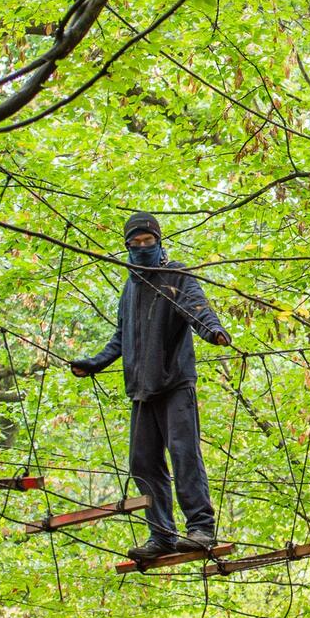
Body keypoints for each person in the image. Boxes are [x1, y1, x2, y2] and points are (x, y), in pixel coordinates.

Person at [70, 212, 231, 561]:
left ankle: (200, 528)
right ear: (127, 246)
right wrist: (93, 363)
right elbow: (121, 337)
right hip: (142, 389)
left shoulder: (175, 275)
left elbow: (197, 309)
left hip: (174, 382)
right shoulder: (130, 287)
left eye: (149, 242)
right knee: (142, 462)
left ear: (159, 242)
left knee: (184, 452)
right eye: (136, 243)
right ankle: (162, 535)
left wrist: (213, 332)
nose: (143, 247)